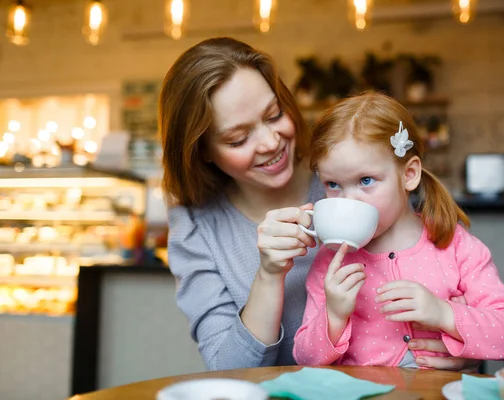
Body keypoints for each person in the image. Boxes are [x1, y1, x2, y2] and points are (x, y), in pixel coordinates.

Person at [160, 36, 481, 371]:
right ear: (202, 151)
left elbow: (495, 320)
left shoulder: (356, 176)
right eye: (238, 138)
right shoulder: (195, 225)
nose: (271, 142)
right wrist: (269, 275)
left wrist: (463, 347)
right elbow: (229, 370)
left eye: (274, 114)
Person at [292, 91, 504, 367]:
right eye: (333, 185)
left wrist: (444, 313)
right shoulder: (331, 261)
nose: (348, 201)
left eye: (366, 180)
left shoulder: (453, 245)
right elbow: (304, 360)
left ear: (409, 175)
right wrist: (333, 317)